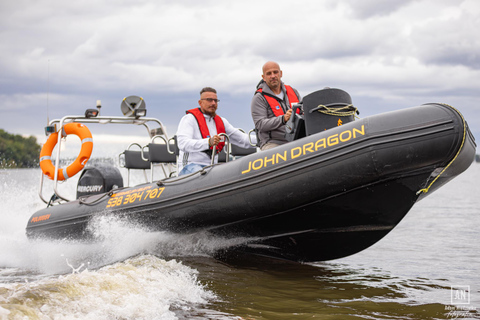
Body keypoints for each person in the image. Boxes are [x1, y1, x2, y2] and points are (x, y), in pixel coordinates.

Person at [176, 87, 256, 176]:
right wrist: (208, 142)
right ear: (200, 102)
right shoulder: (189, 119)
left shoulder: (222, 122)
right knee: (203, 177)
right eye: (209, 100)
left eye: (215, 100)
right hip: (190, 165)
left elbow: (242, 139)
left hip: (212, 168)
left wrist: (264, 139)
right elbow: (183, 143)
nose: (213, 103)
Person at [251, 61, 301, 150]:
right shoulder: (259, 98)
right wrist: (283, 119)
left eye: (275, 72)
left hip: (296, 140)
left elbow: (302, 113)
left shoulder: (293, 92)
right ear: (264, 77)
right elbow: (260, 124)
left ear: (280, 73)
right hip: (273, 143)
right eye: (269, 73)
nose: (273, 76)